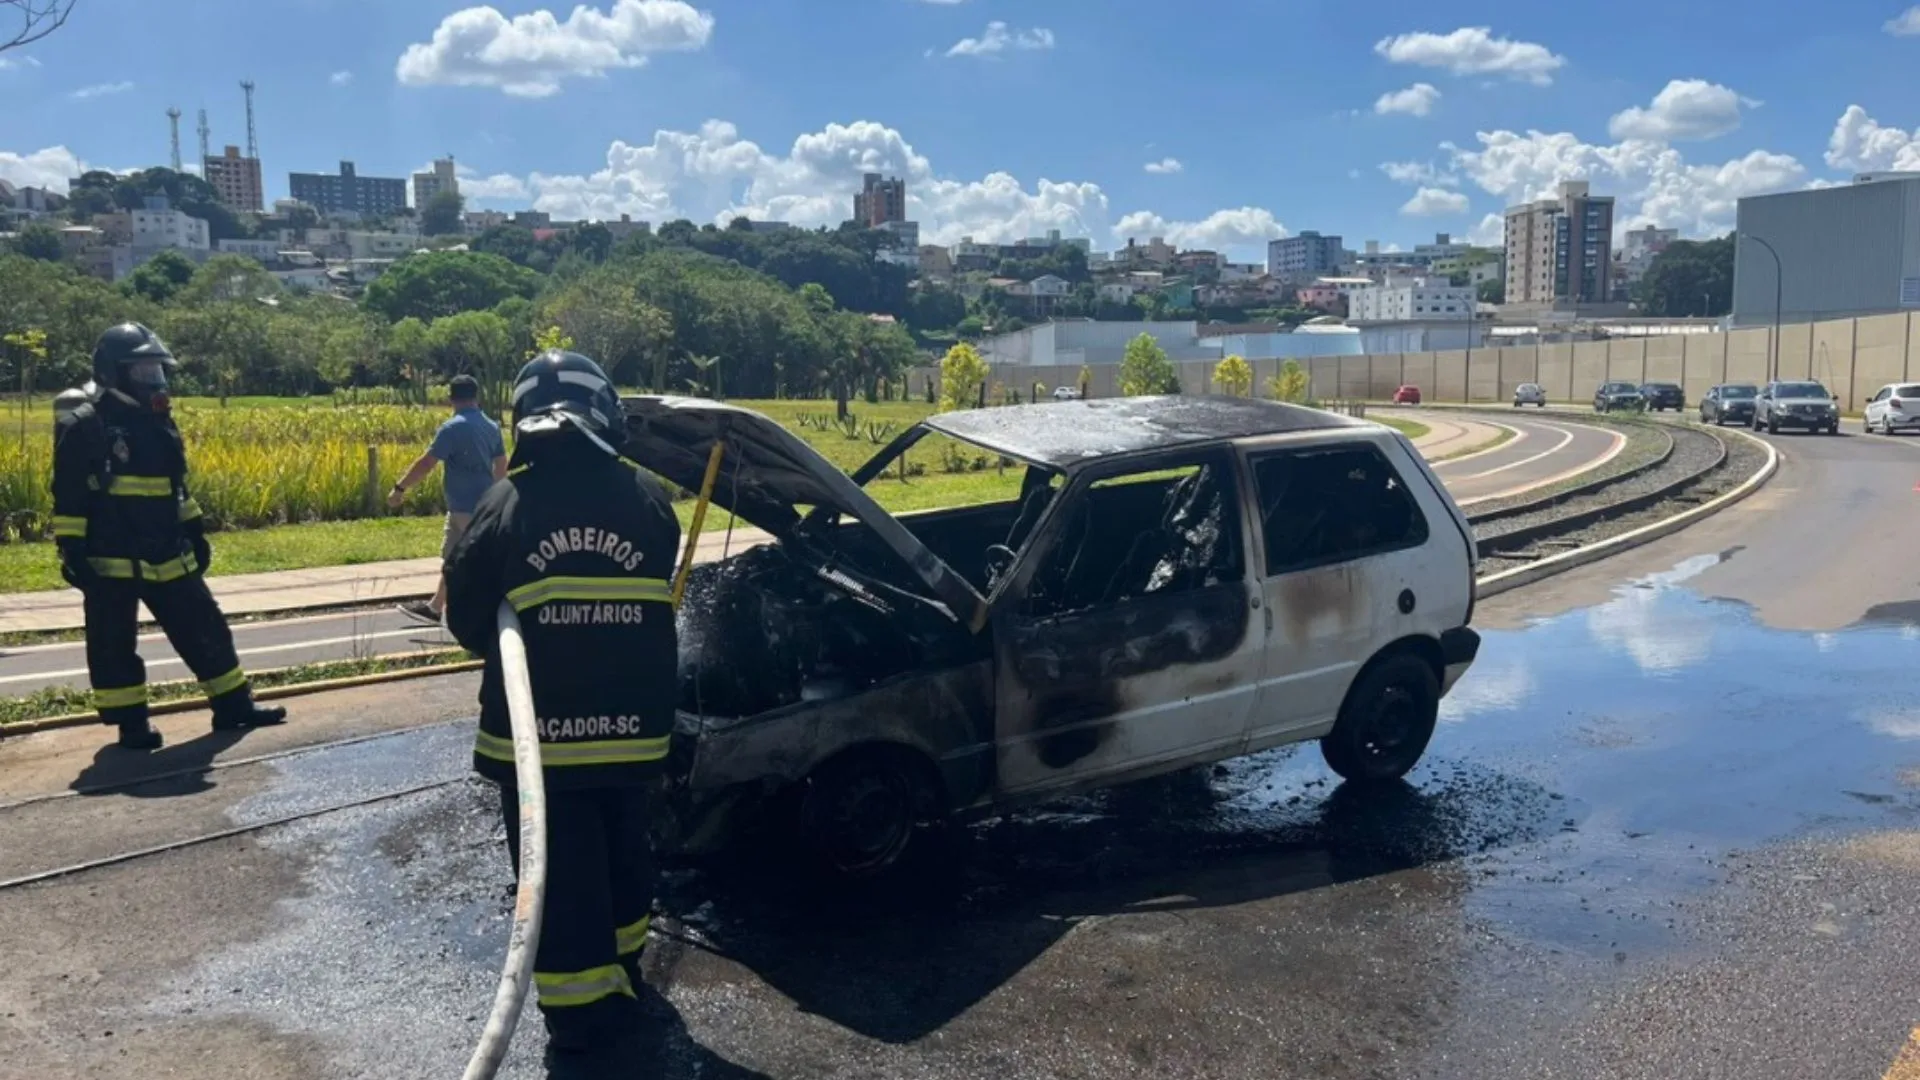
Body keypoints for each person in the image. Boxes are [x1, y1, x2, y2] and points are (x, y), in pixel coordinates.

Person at [443, 350, 681, 1077]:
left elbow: (466, 617)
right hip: (632, 738)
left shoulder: (506, 505)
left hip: (539, 744)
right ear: (602, 410)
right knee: (624, 856)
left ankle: (580, 1027)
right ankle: (624, 973)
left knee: (555, 877)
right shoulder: (647, 499)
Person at [51, 323, 287, 751]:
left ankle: (233, 705)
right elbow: (68, 497)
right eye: (143, 371)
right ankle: (132, 725)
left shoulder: (159, 423)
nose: (154, 381)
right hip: (112, 557)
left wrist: (194, 529)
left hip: (166, 550)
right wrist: (73, 549)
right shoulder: (86, 427)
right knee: (114, 644)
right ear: (114, 374)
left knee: (206, 627)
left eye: (157, 371)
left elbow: (177, 487)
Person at [389, 374, 507, 626]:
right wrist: (498, 501)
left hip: (465, 506)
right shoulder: (492, 427)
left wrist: (400, 487)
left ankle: (491, 611)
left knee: (473, 560)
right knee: (454, 557)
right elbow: (500, 467)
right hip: (480, 504)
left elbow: (427, 463)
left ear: (451, 398)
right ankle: (435, 607)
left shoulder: (452, 429)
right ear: (476, 396)